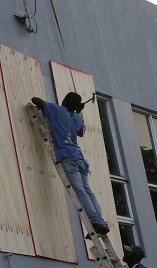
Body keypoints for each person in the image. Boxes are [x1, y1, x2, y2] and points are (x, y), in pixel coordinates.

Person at [31, 92, 109, 236]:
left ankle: (95, 221)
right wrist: (78, 111)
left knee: (79, 190)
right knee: (87, 190)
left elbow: (36, 100)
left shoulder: (57, 110)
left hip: (68, 157)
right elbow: (80, 132)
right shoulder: (78, 118)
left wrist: (42, 106)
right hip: (80, 158)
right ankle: (100, 221)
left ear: (65, 101)